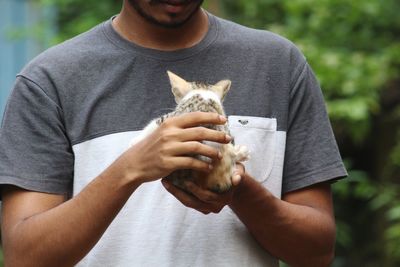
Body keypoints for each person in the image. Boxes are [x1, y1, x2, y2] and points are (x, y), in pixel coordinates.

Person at [0, 0, 347, 266]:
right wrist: (130, 169)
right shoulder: (50, 80)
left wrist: (234, 189)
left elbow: (317, 252)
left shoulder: (278, 65)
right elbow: (24, 256)